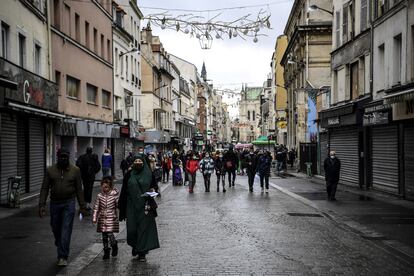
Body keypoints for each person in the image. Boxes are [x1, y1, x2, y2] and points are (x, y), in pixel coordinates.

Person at [39, 148, 87, 267]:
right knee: (55, 228)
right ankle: (60, 242)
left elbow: (79, 189)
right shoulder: (50, 170)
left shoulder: (75, 170)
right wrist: (42, 204)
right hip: (55, 203)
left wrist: (82, 206)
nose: (63, 159)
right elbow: (44, 188)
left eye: (65, 157)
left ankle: (62, 256)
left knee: (66, 229)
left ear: (69, 157)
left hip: (69, 203)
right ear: (57, 156)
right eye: (61, 157)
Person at [119, 154, 160, 261]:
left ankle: (142, 252)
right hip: (131, 206)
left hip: (145, 206)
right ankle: (135, 245)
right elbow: (124, 191)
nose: (138, 162)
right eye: (135, 160)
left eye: (140, 160)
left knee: (143, 229)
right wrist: (121, 208)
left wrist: (152, 191)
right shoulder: (128, 174)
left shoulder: (149, 174)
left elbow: (155, 188)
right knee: (132, 229)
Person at [92, 177, 119, 259]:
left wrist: (118, 215)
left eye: (106, 187)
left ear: (110, 187)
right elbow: (96, 207)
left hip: (111, 217)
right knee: (104, 236)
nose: (104, 188)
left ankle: (114, 245)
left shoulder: (114, 195)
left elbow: (118, 206)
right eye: (103, 187)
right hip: (102, 218)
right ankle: (106, 251)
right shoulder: (99, 196)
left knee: (110, 234)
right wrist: (94, 218)